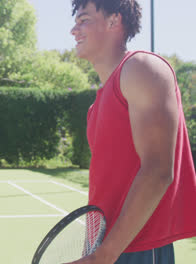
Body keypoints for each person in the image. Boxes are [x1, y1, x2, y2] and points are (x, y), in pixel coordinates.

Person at [67, 0, 196, 263]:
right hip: (107, 247)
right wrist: (93, 249)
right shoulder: (95, 106)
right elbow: (107, 185)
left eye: (84, 20)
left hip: (137, 248)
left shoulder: (141, 68)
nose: (73, 30)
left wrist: (104, 254)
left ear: (114, 21)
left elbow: (158, 171)